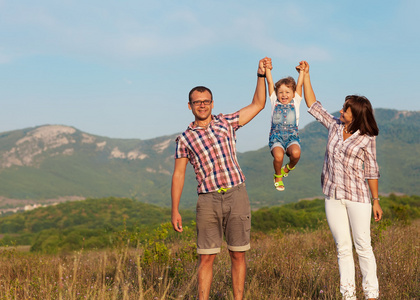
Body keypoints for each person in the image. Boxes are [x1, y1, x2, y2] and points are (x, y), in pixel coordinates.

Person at [171, 57, 272, 300]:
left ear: (212, 103)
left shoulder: (226, 122)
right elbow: (179, 174)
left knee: (238, 253)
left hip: (236, 194)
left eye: (206, 101)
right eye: (197, 102)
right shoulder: (184, 138)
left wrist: (260, 75)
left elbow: (258, 104)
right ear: (190, 106)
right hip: (207, 200)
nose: (202, 105)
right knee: (206, 257)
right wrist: (174, 209)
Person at [301, 60, 383, 300]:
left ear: (355, 115)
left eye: (346, 109)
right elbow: (313, 105)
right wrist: (306, 76)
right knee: (342, 248)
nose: (341, 111)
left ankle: (372, 294)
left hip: (358, 197)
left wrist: (375, 200)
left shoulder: (367, 138)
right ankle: (348, 295)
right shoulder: (335, 127)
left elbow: (372, 170)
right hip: (333, 197)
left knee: (363, 246)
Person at [265, 63, 304, 191]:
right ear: (276, 93)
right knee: (278, 157)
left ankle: (288, 168)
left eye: (287, 92)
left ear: (293, 94)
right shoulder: (274, 101)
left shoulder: (296, 101)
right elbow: (270, 84)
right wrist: (267, 70)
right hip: (276, 138)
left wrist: (302, 72)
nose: (284, 95)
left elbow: (299, 85)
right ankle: (278, 176)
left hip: (292, 137)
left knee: (296, 154)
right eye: (280, 92)